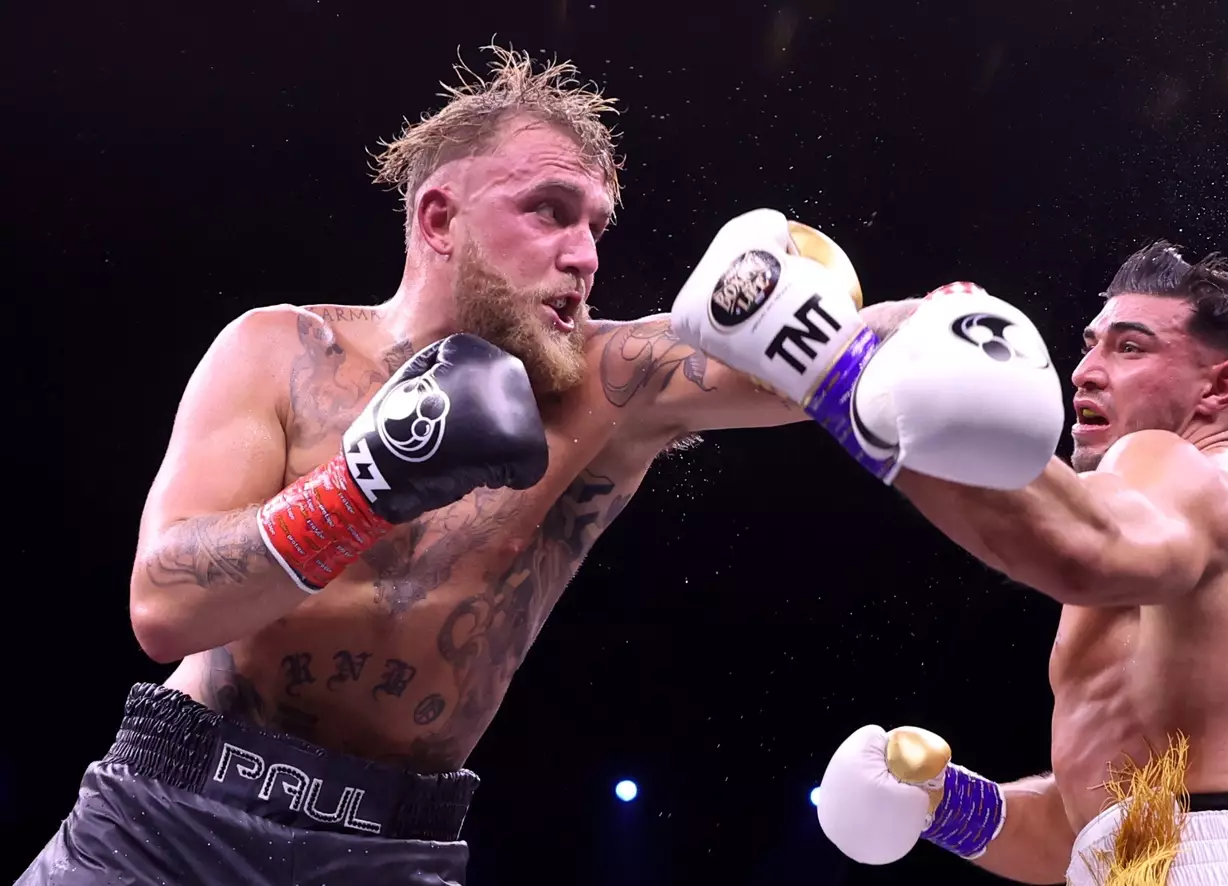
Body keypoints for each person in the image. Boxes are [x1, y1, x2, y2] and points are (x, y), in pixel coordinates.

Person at [18, 47, 881, 886]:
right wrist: (364, 487)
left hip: (392, 849)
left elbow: (833, 372)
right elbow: (164, 607)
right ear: (439, 220)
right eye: (549, 210)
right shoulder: (280, 349)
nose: (584, 253)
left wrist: (950, 332)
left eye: (595, 225)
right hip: (167, 824)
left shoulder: (614, 382)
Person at [668, 240, 1228, 885]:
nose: (1086, 370)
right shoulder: (1159, 540)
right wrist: (941, 800)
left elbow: (1078, 549)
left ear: (1219, 388)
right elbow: (1086, 835)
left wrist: (828, 357)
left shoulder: (1187, 473)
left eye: (1129, 347)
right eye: (1089, 344)